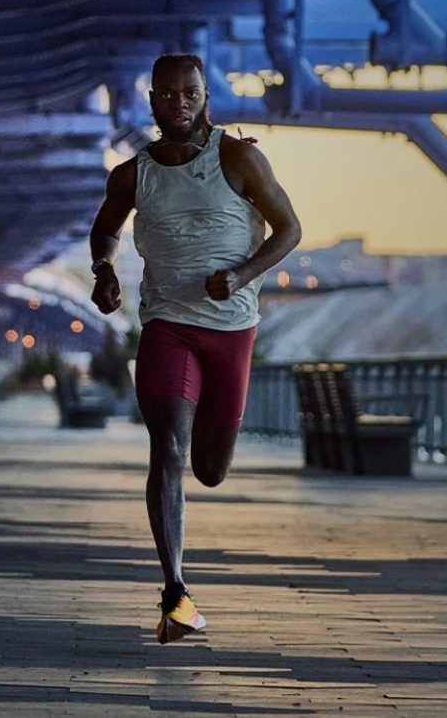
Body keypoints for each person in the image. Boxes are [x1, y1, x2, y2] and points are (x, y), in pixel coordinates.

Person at [89, 54, 303, 644]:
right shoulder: (132, 175)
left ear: (206, 96)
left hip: (232, 329)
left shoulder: (239, 158)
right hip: (167, 326)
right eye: (167, 94)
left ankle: (179, 585)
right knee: (168, 447)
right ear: (152, 101)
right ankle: (176, 593)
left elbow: (289, 229)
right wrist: (103, 270)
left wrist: (241, 275)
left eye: (190, 93)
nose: (178, 103)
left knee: (208, 469)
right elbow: (105, 228)